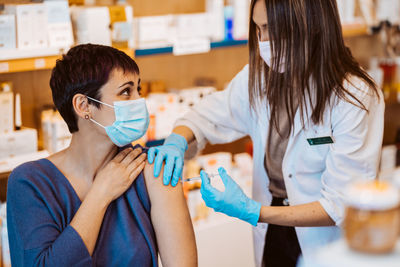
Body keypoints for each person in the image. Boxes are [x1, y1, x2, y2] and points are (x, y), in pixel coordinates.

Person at [147, 0, 384, 266]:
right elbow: (207, 114)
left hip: (325, 238)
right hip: (273, 230)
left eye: (273, 29)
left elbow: (341, 204)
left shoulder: (354, 96)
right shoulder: (261, 77)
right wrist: (177, 140)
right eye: (259, 29)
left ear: (312, 26)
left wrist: (254, 211)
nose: (264, 41)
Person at [6, 44, 197, 267]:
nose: (139, 101)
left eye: (138, 90)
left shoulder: (153, 169)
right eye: (126, 92)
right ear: (83, 105)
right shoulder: (29, 183)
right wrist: (100, 194)